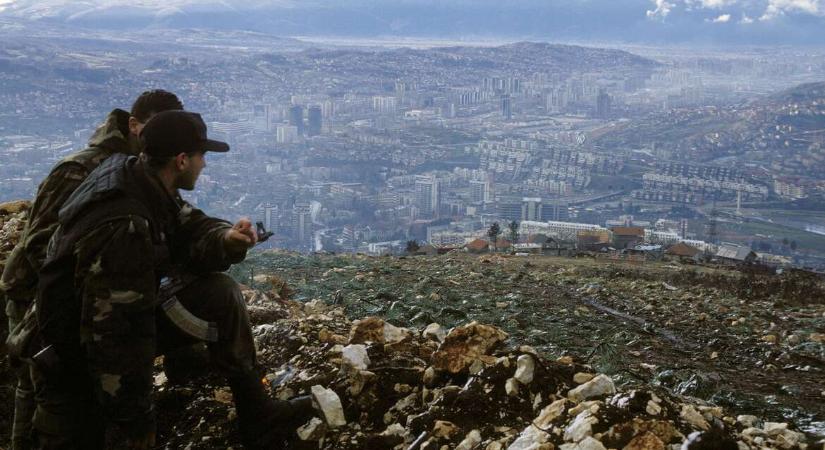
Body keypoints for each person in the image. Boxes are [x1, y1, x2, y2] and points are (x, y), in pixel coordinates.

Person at [32, 110, 311, 450]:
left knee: (220, 295)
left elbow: (187, 224)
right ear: (181, 160)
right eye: (201, 156)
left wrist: (225, 239)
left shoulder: (137, 175)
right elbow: (117, 334)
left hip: (95, 327)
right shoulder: (126, 226)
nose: (204, 164)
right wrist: (135, 419)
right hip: (77, 355)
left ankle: (257, 414)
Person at [0, 90, 184, 450]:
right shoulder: (82, 170)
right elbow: (41, 245)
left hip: (75, 298)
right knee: (39, 390)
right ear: (133, 125)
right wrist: (86, 285)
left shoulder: (141, 172)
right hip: (34, 293)